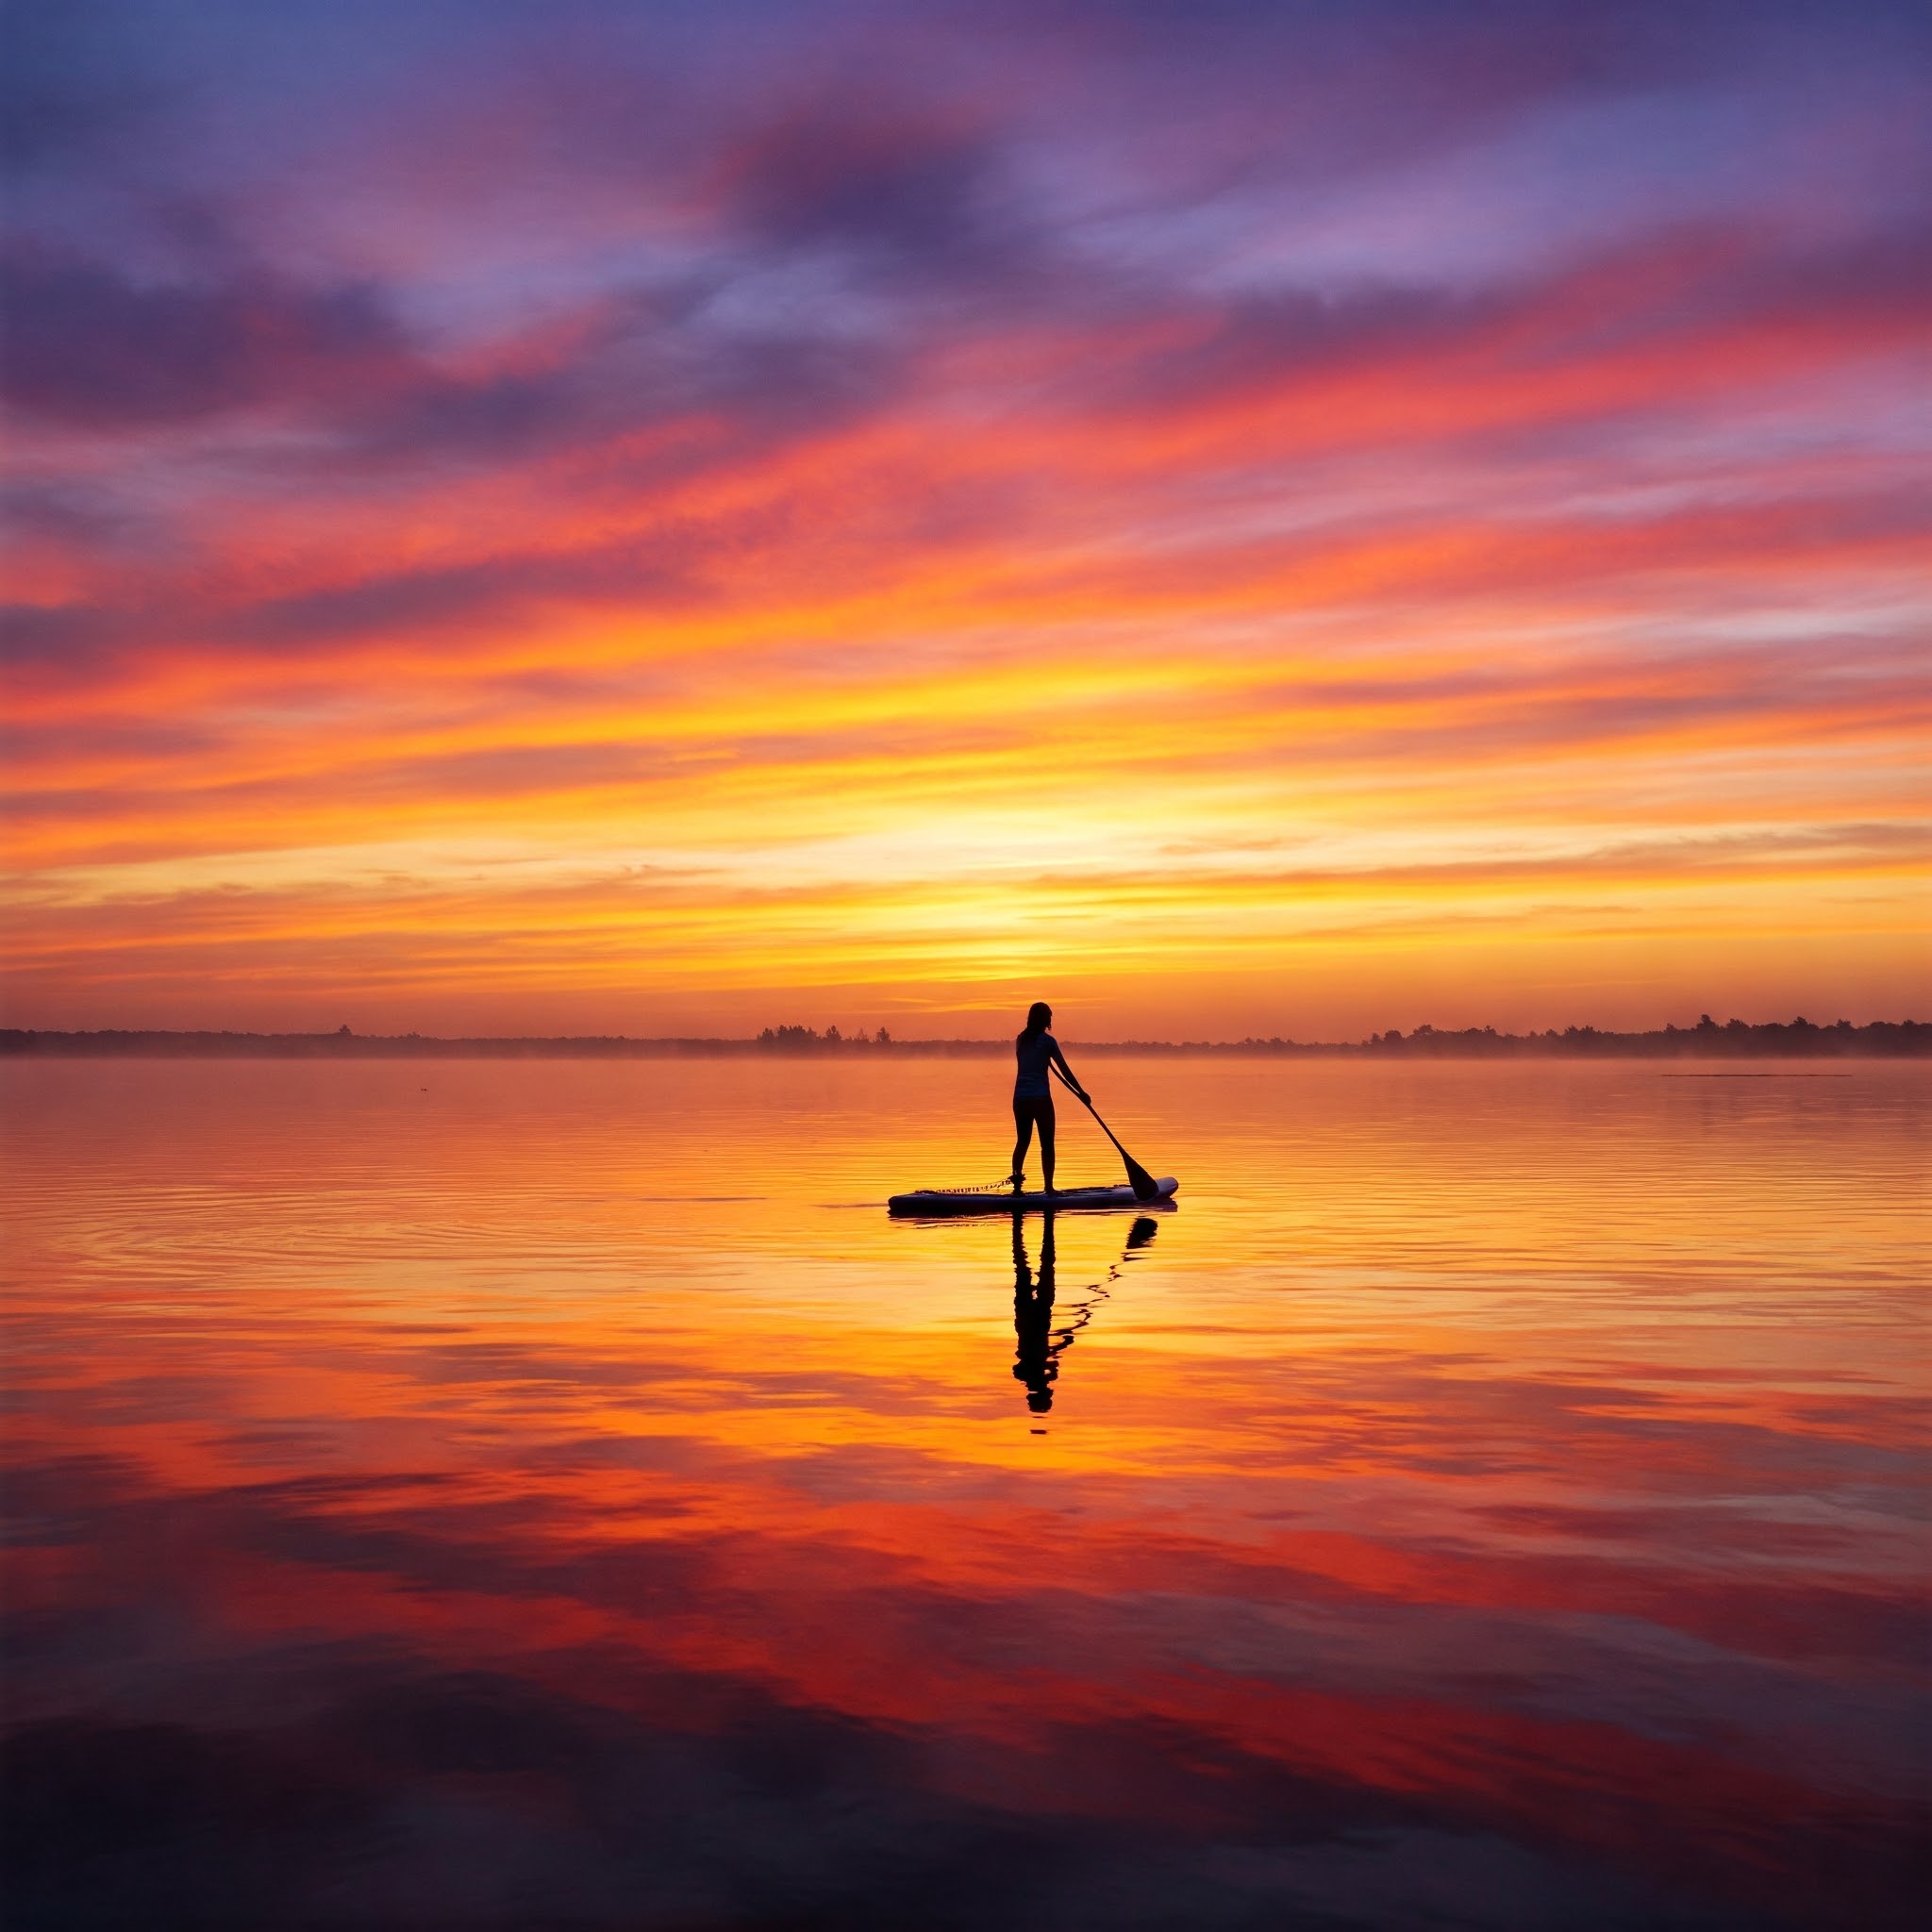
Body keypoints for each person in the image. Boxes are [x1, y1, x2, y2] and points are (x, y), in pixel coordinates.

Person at [1010, 1001, 1087, 1193]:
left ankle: (1017, 1186)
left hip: (1020, 1099)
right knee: (1047, 1145)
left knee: (1022, 1141)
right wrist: (1081, 1092)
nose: (1051, 1020)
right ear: (1045, 1019)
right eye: (1049, 1016)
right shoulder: (1048, 1042)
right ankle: (1049, 1188)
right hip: (1040, 1099)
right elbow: (1065, 1070)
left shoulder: (1021, 1039)